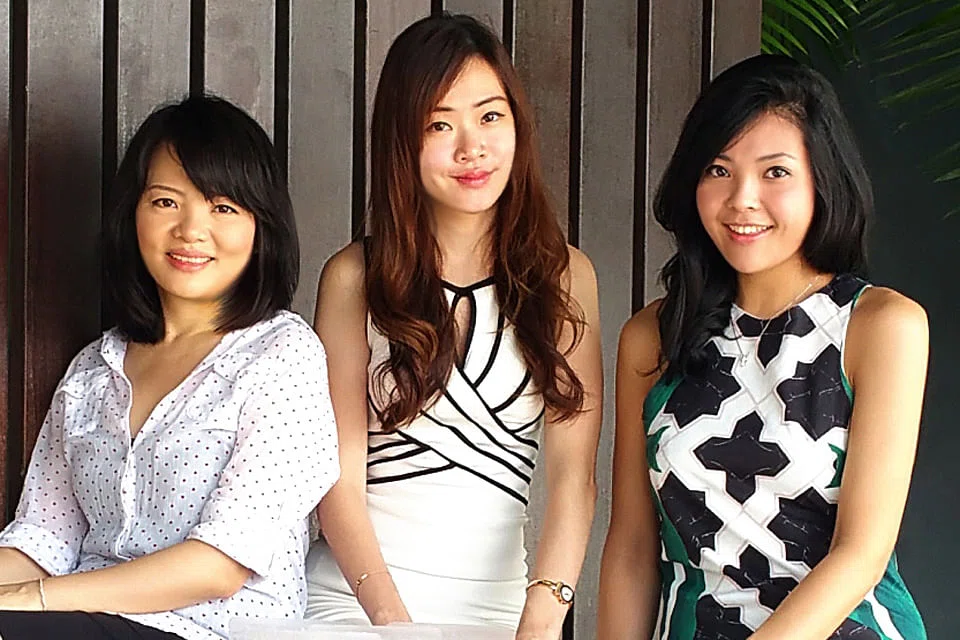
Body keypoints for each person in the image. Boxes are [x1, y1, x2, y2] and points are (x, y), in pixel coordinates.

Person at [598, 54, 928, 639]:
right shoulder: (653, 337)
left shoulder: (881, 325)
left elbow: (861, 555)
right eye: (719, 170)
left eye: (775, 172)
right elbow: (631, 548)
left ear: (823, 181)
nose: (742, 199)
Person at [304, 12, 602, 639]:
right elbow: (337, 481)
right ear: (402, 141)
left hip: (502, 613)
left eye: (490, 117)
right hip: (355, 606)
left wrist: (541, 623)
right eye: (439, 124)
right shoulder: (354, 277)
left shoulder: (566, 276)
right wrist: (396, 627)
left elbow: (574, 479)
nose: (472, 148)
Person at [0, 96, 340, 640]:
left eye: (223, 207)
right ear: (132, 214)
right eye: (165, 202)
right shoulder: (94, 369)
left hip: (206, 630)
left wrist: (33, 600)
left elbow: (220, 563)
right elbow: (42, 539)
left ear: (262, 226)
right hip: (77, 619)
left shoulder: (282, 355)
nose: (190, 230)